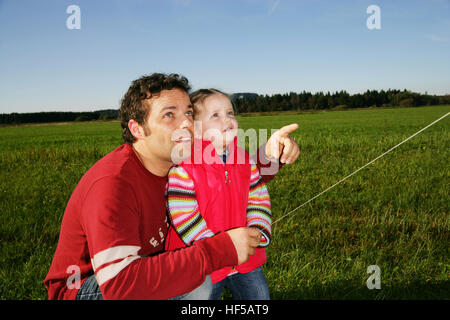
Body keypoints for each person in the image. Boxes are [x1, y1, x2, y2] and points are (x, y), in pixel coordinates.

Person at [44, 73, 300, 300]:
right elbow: (120, 285)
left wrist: (272, 155)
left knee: (189, 272)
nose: (187, 123)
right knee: (193, 281)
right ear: (137, 129)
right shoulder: (112, 184)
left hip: (142, 264)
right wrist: (219, 250)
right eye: (169, 115)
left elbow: (229, 178)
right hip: (86, 286)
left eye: (188, 112)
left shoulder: (177, 161)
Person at [165, 88, 273, 300]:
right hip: (203, 260)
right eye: (216, 115)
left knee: (259, 297)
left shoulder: (244, 159)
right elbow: (183, 214)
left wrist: (258, 229)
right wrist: (216, 249)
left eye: (230, 113)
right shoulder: (185, 166)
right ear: (195, 128)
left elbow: (257, 197)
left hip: (244, 258)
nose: (227, 119)